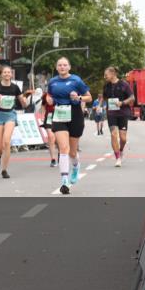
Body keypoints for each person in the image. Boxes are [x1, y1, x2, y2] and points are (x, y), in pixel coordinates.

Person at [46, 57, 92, 195]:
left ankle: (76, 166)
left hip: (75, 114)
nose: (62, 67)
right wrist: (49, 100)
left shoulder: (76, 80)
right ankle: (64, 180)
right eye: (60, 65)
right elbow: (50, 97)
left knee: (72, 152)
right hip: (60, 114)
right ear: (56, 67)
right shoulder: (52, 82)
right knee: (63, 148)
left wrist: (78, 98)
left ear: (69, 67)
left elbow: (89, 97)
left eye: (65, 65)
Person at [0, 66, 30, 179]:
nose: (6, 74)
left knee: (6, 142)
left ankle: (4, 170)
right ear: (1, 74)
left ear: (11, 75)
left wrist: (26, 100)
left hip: (10, 115)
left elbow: (23, 104)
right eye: (4, 72)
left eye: (8, 72)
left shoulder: (15, 88)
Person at [102, 67, 135, 167]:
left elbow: (132, 98)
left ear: (113, 74)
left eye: (106, 75)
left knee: (123, 138)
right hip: (111, 113)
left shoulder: (124, 84)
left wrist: (122, 102)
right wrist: (102, 106)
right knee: (113, 134)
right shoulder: (106, 86)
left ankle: (121, 151)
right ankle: (117, 158)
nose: (104, 77)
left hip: (123, 113)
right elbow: (104, 97)